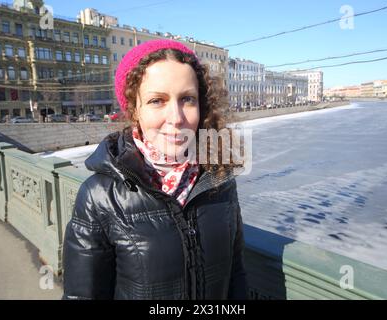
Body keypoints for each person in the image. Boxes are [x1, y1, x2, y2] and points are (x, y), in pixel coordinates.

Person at [62, 39, 248, 300]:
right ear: (134, 109)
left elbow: (236, 274)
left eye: (187, 99)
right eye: (157, 100)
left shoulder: (220, 179)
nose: (176, 117)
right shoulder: (99, 196)